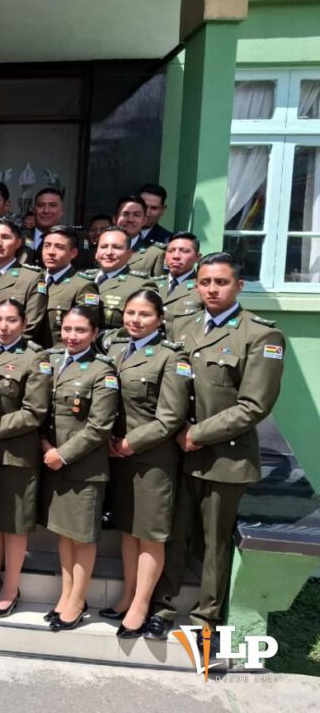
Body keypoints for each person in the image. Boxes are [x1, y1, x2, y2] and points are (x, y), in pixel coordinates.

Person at [147, 253, 285, 648]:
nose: (212, 289)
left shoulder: (261, 336)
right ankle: (163, 608)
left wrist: (197, 434)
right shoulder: (184, 327)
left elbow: (254, 406)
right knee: (174, 534)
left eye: (221, 282)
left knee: (213, 542)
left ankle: (207, 619)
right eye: (205, 282)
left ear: (239, 286)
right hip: (177, 452)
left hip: (224, 458)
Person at [102, 289, 189, 637]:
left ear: (160, 319)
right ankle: (127, 594)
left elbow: (171, 417)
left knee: (150, 534)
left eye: (144, 315)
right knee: (128, 529)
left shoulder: (171, 358)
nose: (135, 320)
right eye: (130, 312)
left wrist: (129, 443)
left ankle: (141, 604)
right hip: (118, 456)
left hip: (152, 459)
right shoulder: (115, 349)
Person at [39, 306, 118, 631]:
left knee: (82, 537)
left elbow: (99, 426)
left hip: (84, 467)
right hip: (53, 461)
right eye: (67, 329)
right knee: (64, 533)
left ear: (95, 334)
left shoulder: (102, 371)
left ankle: (77, 599)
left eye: (80, 331)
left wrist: (62, 454)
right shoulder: (52, 361)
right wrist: (46, 449)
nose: (72, 336)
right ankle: (67, 595)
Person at [0, 299, 50, 619]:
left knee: (14, 525)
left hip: (15, 454)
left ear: (24, 322)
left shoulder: (35, 358)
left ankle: (10, 588)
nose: (3, 327)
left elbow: (35, 411)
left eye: (11, 321)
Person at [0, 218, 46, 342]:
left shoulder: (31, 278)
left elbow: (30, 325)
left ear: (18, 243)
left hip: (11, 355)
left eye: (5, 237)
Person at [36, 227, 100, 348]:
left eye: (59, 247)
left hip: (58, 356)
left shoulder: (83, 286)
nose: (51, 252)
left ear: (73, 253)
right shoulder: (33, 280)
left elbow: (84, 329)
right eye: (47, 245)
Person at [90, 227, 157, 330]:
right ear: (96, 252)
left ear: (129, 254)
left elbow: (146, 327)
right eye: (103, 247)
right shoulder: (82, 280)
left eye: (116, 247)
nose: (109, 252)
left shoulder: (140, 286)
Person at [156, 231, 203, 338]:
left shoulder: (203, 288)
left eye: (184, 251)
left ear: (197, 257)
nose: (176, 256)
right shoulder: (152, 285)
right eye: (171, 251)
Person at [115, 196, 166, 277]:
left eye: (136, 215)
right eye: (125, 214)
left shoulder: (155, 253)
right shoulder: (98, 250)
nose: (130, 219)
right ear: (115, 219)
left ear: (144, 221)